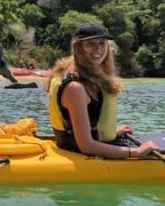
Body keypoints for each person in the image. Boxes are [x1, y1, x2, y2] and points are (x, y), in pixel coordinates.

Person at [44, 23, 157, 159]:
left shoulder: (87, 77)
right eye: (90, 44)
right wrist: (136, 152)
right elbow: (86, 145)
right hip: (79, 153)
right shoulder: (75, 88)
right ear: (79, 48)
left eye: (102, 43)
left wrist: (109, 132)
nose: (98, 49)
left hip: (84, 146)